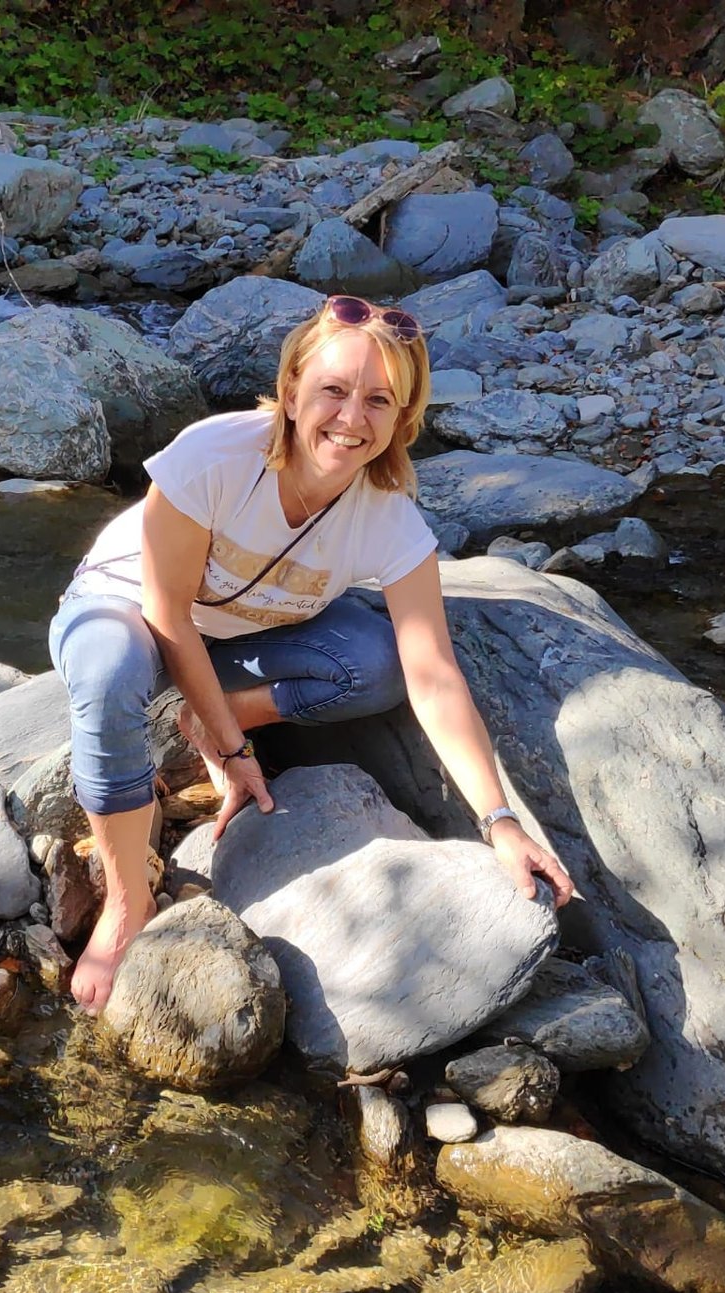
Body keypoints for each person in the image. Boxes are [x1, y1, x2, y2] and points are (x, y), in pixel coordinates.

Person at [49, 294, 576, 1012]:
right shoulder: (212, 457)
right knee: (109, 676)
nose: (351, 418)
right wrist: (238, 755)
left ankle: (207, 717)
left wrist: (500, 820)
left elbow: (432, 671)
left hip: (238, 640)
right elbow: (166, 612)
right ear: (292, 390)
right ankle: (126, 901)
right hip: (129, 611)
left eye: (378, 401)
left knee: (377, 660)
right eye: (333, 390)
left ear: (403, 420)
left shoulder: (389, 518)